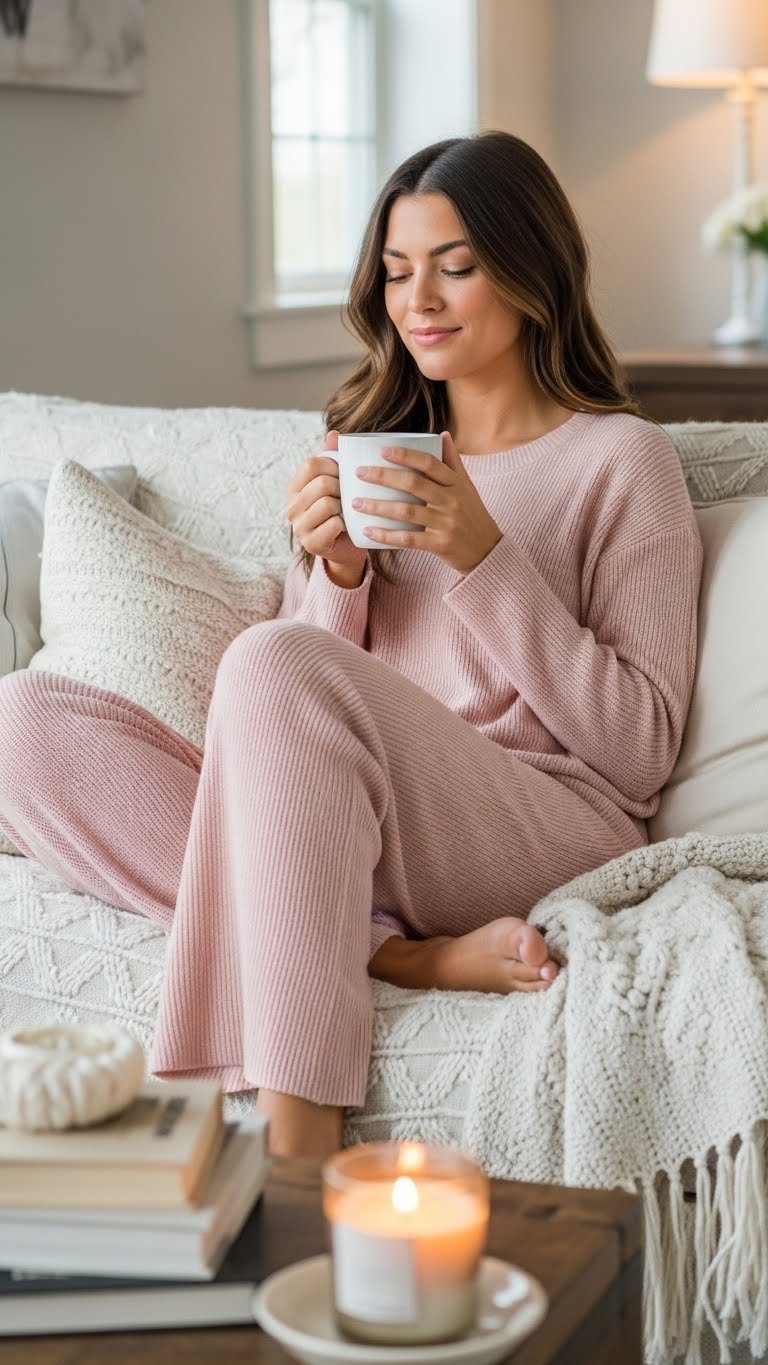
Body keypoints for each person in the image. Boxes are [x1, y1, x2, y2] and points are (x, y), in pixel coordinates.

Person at [0, 132, 703, 1158]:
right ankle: (391, 953)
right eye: (396, 271)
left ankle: (298, 1165)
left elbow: (639, 751)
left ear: (532, 273)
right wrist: (335, 575)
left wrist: (482, 555)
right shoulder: (370, 443)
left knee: (274, 666)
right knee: (22, 722)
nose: (418, 299)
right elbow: (284, 712)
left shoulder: (621, 461)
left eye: (455, 267)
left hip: (544, 811)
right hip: (355, 828)